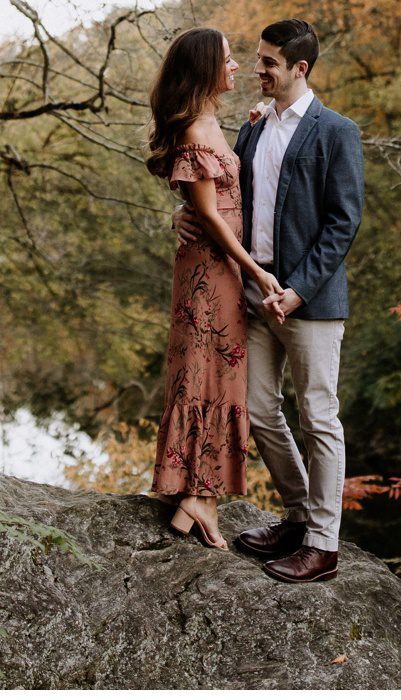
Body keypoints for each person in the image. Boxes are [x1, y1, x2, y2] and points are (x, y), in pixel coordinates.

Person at [229, 18, 364, 584]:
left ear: (298, 69)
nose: (257, 69)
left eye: (268, 62)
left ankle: (323, 545)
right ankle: (298, 516)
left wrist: (299, 289)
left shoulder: (337, 131)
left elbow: (343, 221)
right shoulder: (253, 128)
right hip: (257, 295)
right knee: (261, 412)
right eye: (258, 60)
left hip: (310, 302)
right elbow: (229, 199)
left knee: (318, 417)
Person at [146, 27, 288, 549]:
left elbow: (209, 200)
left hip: (217, 262)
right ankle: (197, 495)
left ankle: (195, 493)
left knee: (215, 372)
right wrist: (256, 270)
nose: (236, 68)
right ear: (207, 67)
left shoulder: (211, 125)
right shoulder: (194, 131)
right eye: (228, 60)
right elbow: (207, 212)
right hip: (212, 268)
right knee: (205, 371)